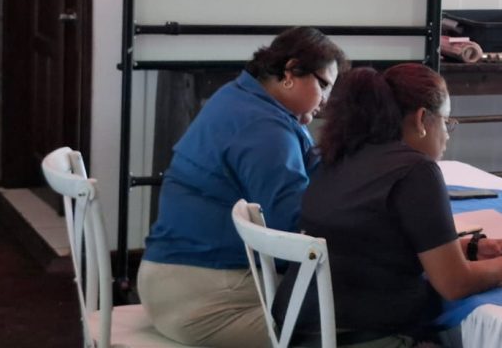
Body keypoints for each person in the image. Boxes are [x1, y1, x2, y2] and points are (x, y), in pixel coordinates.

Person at [279, 64, 502, 347]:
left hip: (301, 332)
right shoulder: (415, 171)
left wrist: (465, 248)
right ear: (421, 119)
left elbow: (368, 245)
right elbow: (454, 284)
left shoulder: (340, 155)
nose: (448, 134)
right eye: (445, 121)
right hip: (366, 338)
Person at [137, 26, 347, 348]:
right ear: (290, 71)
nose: (326, 100)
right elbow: (293, 228)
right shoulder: (264, 126)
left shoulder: (242, 98)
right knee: (367, 324)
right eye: (324, 85)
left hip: (175, 279)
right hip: (202, 293)